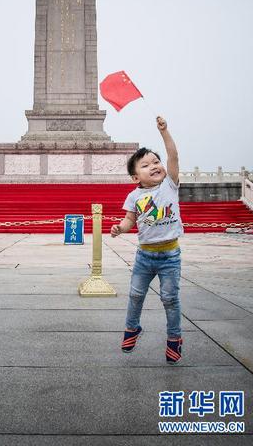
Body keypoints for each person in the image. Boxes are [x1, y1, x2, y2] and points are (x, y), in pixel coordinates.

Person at [111, 116, 184, 364]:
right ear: (135, 177)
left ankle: (174, 338)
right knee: (135, 295)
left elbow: (173, 157)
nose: (154, 165)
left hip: (170, 256)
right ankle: (132, 328)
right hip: (145, 255)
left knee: (170, 298)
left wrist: (165, 132)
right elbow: (130, 220)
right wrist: (120, 229)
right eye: (146, 165)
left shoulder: (170, 185)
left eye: (156, 162)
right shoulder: (133, 196)